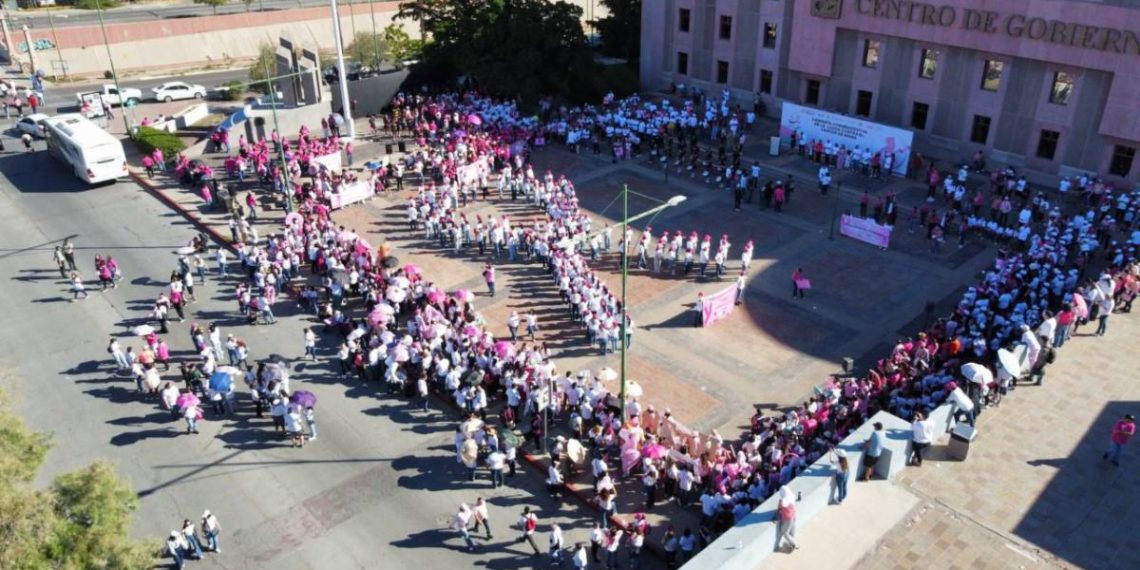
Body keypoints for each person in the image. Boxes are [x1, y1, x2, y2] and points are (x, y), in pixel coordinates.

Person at [775, 486, 798, 551]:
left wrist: (775, 518)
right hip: (794, 515)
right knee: (792, 530)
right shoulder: (792, 496)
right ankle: (791, 541)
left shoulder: (782, 501)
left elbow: (779, 509)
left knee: (784, 532)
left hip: (788, 518)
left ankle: (793, 544)